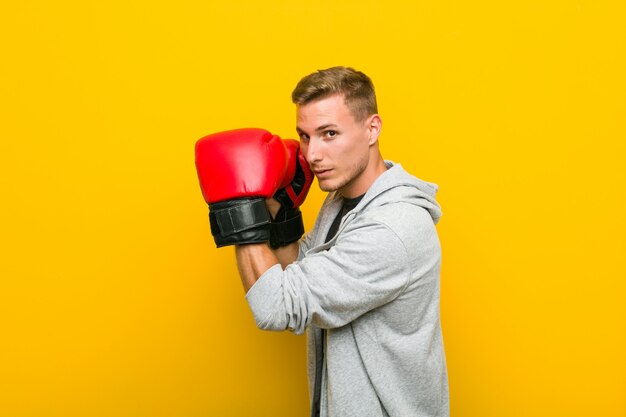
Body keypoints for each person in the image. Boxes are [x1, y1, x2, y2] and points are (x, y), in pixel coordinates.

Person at [195, 66, 449, 417]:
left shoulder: (392, 228)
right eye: (305, 136)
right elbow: (300, 271)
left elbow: (276, 306)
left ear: (372, 128)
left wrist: (238, 210)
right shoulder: (343, 199)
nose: (312, 154)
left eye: (329, 134)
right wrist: (279, 211)